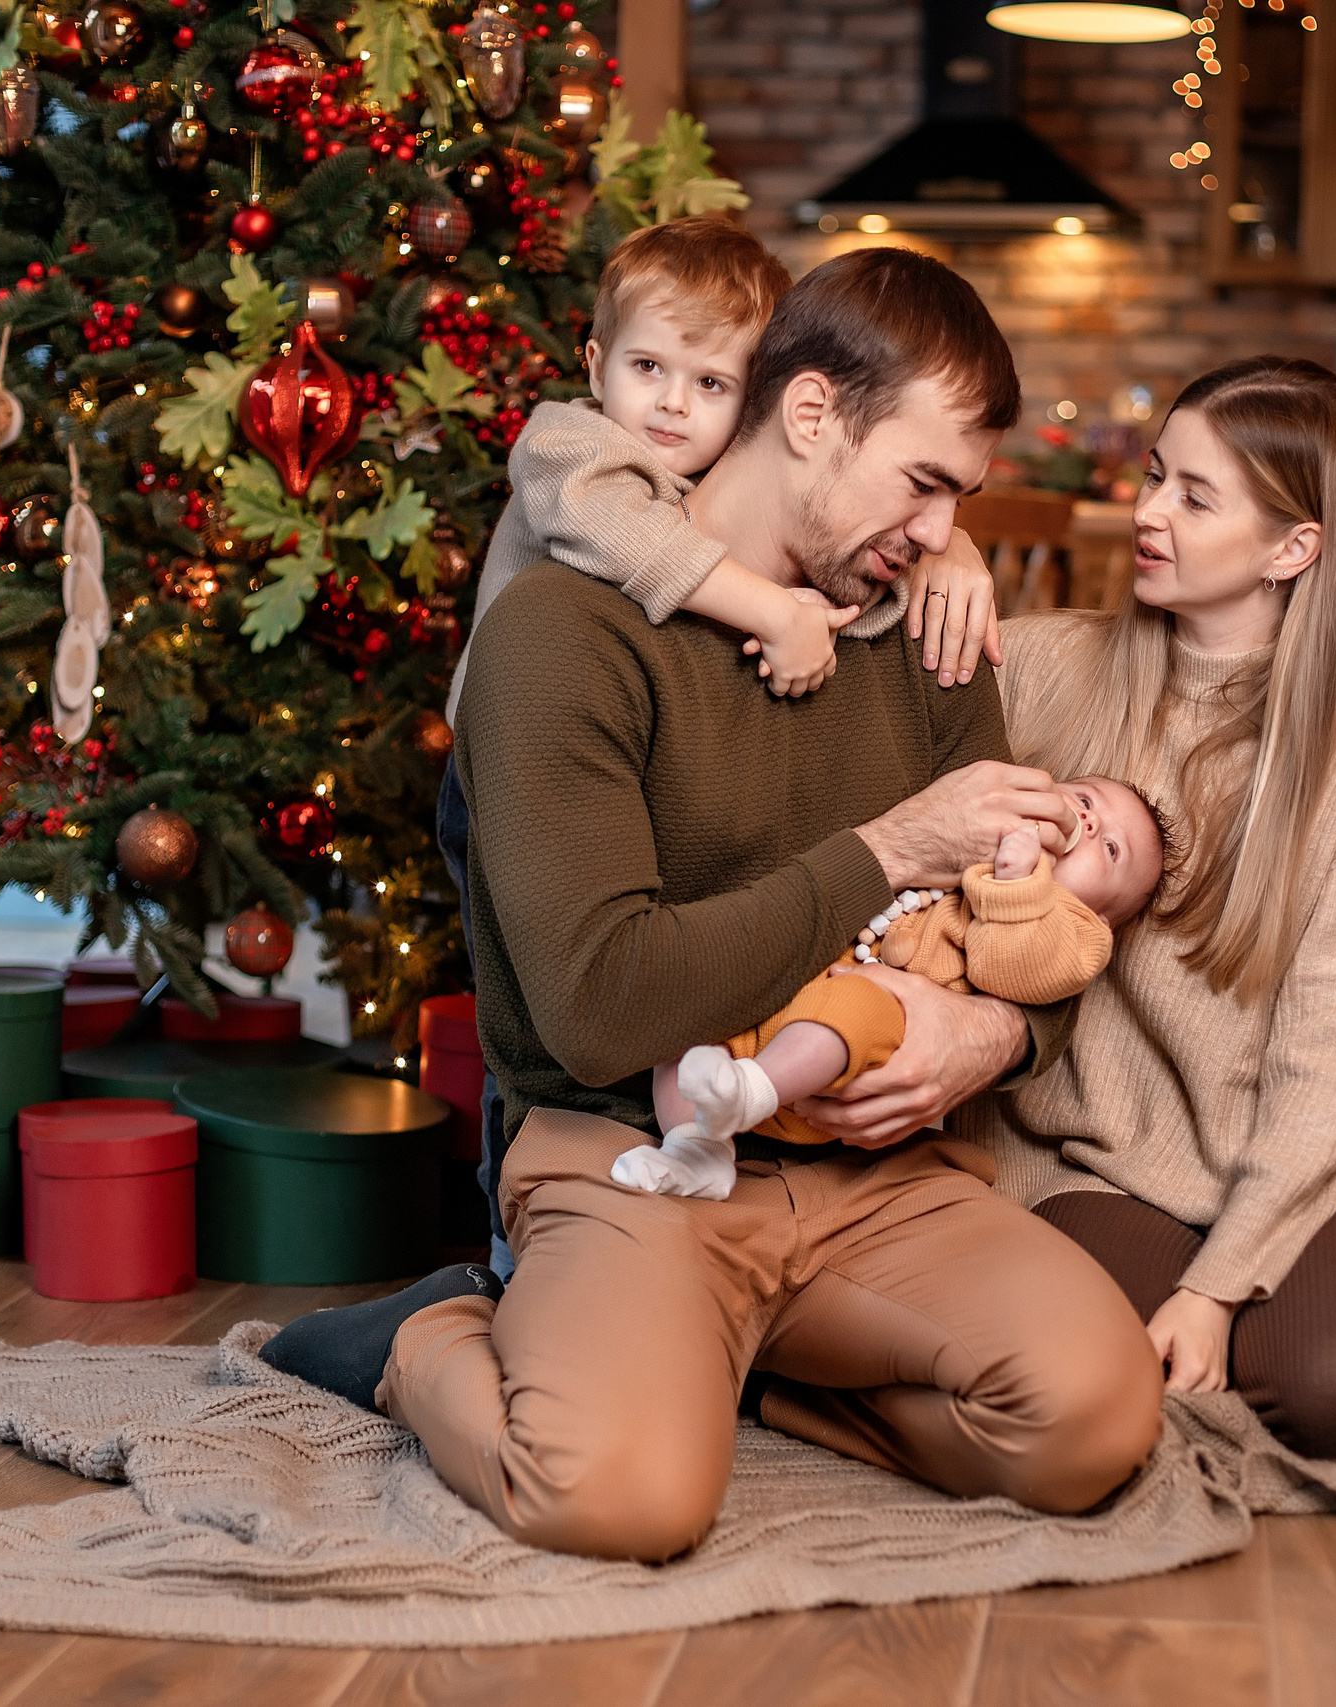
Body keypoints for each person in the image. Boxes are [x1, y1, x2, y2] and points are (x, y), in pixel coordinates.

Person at [265, 247, 1166, 1561]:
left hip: (873, 1178)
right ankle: (421, 1337)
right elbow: (597, 1005)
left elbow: (1011, 933)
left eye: (957, 500)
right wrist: (885, 845)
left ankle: (727, 1364)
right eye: (923, 485)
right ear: (810, 415)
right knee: (615, 1498)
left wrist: (1004, 1038)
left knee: (1091, 1421)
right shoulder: (562, 635)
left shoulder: (925, 634)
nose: (938, 534)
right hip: (634, 1154)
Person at [430, 216, 1005, 1270]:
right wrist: (776, 614)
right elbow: (643, 547)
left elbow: (1018, 913)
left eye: (709, 383)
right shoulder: (586, 480)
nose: (673, 405)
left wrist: (946, 541)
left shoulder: (914, 607)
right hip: (514, 789)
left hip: (823, 1153)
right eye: (922, 484)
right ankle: (493, 1280)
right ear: (808, 414)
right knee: (526, 1007)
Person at [971, 356, 1336, 1461]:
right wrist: (950, 555)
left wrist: (1222, 1286)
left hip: (1309, 1160)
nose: (1147, 514)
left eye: (1195, 496)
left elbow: (1333, 1063)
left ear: (1295, 548)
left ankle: (1270, 1314)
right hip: (1095, 1154)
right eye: (1153, 478)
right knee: (1088, 1372)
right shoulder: (1048, 667)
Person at [619, 776, 1166, 1199]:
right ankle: (697, 1150)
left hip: (877, 1037)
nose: (1090, 825)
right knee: (693, 1026)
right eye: (1086, 801)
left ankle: (752, 1092)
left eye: (1112, 850)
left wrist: (1019, 884)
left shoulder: (1076, 931)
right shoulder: (975, 834)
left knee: (857, 1005)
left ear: (1106, 916)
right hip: (797, 991)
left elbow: (1013, 970)